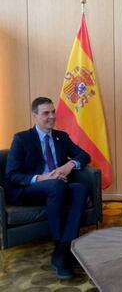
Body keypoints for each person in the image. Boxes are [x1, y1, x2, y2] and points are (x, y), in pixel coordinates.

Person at [5, 97, 91, 280]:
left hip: (57, 186)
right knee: (56, 184)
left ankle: (63, 247)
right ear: (35, 116)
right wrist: (43, 178)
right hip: (30, 190)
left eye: (53, 112)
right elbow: (11, 175)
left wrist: (69, 166)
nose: (52, 116)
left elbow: (84, 155)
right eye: (46, 113)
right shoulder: (22, 139)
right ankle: (61, 248)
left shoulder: (61, 137)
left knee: (80, 189)